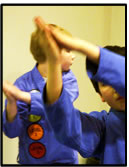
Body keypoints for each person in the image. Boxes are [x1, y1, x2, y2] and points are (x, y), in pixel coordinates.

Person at [34, 16, 125, 165]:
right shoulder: (103, 126)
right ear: (100, 95)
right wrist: (54, 64)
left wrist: (80, 46)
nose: (115, 87)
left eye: (116, 77)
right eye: (106, 83)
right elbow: (66, 122)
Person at [3, 21, 79, 164]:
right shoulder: (22, 84)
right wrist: (12, 103)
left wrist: (23, 97)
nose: (73, 56)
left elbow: (60, 104)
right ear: (51, 52)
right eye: (68, 50)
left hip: (65, 160)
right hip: (32, 160)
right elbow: (12, 132)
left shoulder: (68, 79)